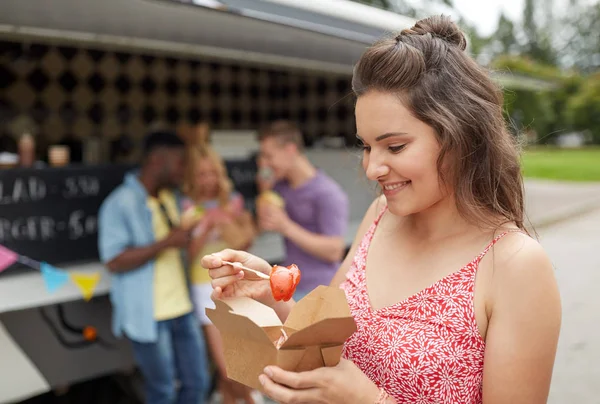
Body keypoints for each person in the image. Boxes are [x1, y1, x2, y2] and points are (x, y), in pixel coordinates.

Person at [201, 16, 562, 404]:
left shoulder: (515, 265)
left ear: (461, 136)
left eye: (395, 147)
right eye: (367, 146)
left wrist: (368, 401)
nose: (372, 168)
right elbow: (324, 334)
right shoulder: (379, 217)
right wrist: (271, 294)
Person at [97, 129, 210, 404]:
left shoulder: (169, 198)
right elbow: (113, 260)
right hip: (149, 316)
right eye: (180, 162)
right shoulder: (119, 203)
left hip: (183, 310)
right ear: (158, 160)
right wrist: (165, 243)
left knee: (198, 383)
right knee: (163, 391)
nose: (183, 170)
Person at [182, 144, 262, 404]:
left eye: (212, 173)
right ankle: (252, 399)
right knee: (227, 367)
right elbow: (187, 255)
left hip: (234, 283)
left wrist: (230, 225)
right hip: (203, 287)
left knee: (239, 360)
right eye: (202, 174)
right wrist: (205, 227)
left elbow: (245, 246)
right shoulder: (187, 206)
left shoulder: (233, 201)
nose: (208, 180)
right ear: (193, 177)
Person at [255, 120, 350, 300]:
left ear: (290, 150)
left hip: (320, 289)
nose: (265, 163)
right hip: (289, 287)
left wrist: (286, 227)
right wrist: (264, 189)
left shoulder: (328, 193)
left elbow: (334, 251)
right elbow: (262, 225)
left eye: (268, 156)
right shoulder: (280, 187)